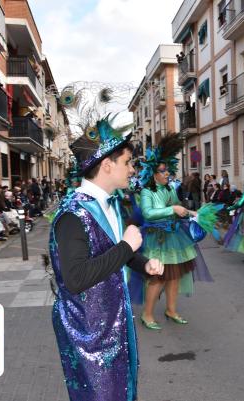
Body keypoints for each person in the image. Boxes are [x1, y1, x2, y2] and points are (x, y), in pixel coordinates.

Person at [50, 112, 164, 401]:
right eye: (127, 163)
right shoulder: (73, 214)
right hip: (89, 332)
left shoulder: (112, 204)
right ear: (107, 165)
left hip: (115, 320)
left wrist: (142, 263)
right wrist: (127, 247)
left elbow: (111, 253)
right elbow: (75, 279)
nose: (132, 170)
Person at [136, 135, 212, 330]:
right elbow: (148, 213)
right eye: (162, 171)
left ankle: (171, 310)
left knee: (175, 276)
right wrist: (172, 210)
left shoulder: (169, 188)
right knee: (158, 278)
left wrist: (191, 213)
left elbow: (176, 206)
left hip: (174, 236)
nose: (167, 173)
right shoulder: (147, 192)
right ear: (153, 173)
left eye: (167, 169)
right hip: (158, 239)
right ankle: (147, 314)